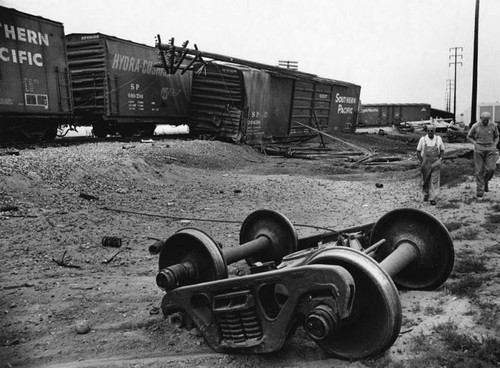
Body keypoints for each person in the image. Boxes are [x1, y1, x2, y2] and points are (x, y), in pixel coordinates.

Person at [467, 111, 500, 197]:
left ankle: (485, 181)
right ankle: (480, 189)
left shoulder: (493, 125)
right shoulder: (475, 126)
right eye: (484, 120)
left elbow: (497, 136)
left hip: (490, 149)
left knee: (491, 168)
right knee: (479, 170)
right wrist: (475, 143)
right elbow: (468, 136)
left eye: (487, 120)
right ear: (481, 119)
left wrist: (495, 144)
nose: (485, 122)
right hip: (479, 149)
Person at [417, 125, 445, 205]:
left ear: (434, 131)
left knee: (435, 181)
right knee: (426, 180)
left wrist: (440, 159)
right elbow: (418, 152)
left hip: (435, 163)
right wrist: (422, 162)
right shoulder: (423, 140)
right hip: (426, 163)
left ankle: (433, 198)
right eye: (428, 131)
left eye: (431, 131)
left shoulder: (438, 139)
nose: (430, 132)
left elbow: (442, 150)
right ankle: (426, 194)